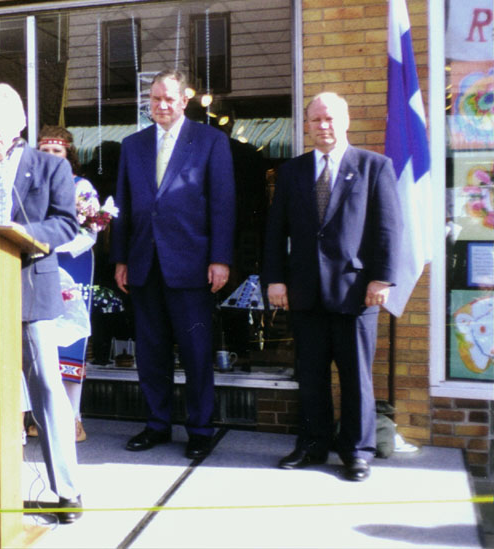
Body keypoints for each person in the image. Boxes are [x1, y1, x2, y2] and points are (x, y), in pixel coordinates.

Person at [0, 83, 83, 523]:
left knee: (46, 388)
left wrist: (23, 237)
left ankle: (67, 493)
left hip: (30, 290)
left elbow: (65, 225)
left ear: (19, 122)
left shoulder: (49, 168)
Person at [262, 91, 403, 482]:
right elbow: (275, 233)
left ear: (346, 121)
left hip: (356, 293)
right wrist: (275, 279)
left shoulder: (374, 166)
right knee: (311, 375)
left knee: (357, 377)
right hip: (305, 292)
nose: (323, 126)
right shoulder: (291, 172)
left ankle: (357, 452)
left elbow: (389, 227)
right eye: (316, 120)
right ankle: (312, 444)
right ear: (306, 125)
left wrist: (382, 278)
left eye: (330, 119)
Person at [110, 69, 236, 460]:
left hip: (192, 265)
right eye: (155, 99)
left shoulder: (211, 141)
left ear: (184, 101)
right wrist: (120, 258)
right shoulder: (133, 145)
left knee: (197, 351)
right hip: (145, 263)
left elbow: (222, 203)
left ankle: (200, 429)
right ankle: (157, 424)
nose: (161, 105)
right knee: (151, 352)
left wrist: (220, 258)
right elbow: (123, 207)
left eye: (169, 98)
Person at [37, 125, 98, 443]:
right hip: (35, 266)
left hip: (71, 265)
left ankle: (73, 418)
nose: (50, 157)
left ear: (68, 155)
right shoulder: (30, 184)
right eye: (44, 152)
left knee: (70, 341)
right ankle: (42, 415)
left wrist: (51, 245)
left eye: (56, 152)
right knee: (39, 340)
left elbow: (90, 233)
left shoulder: (81, 186)